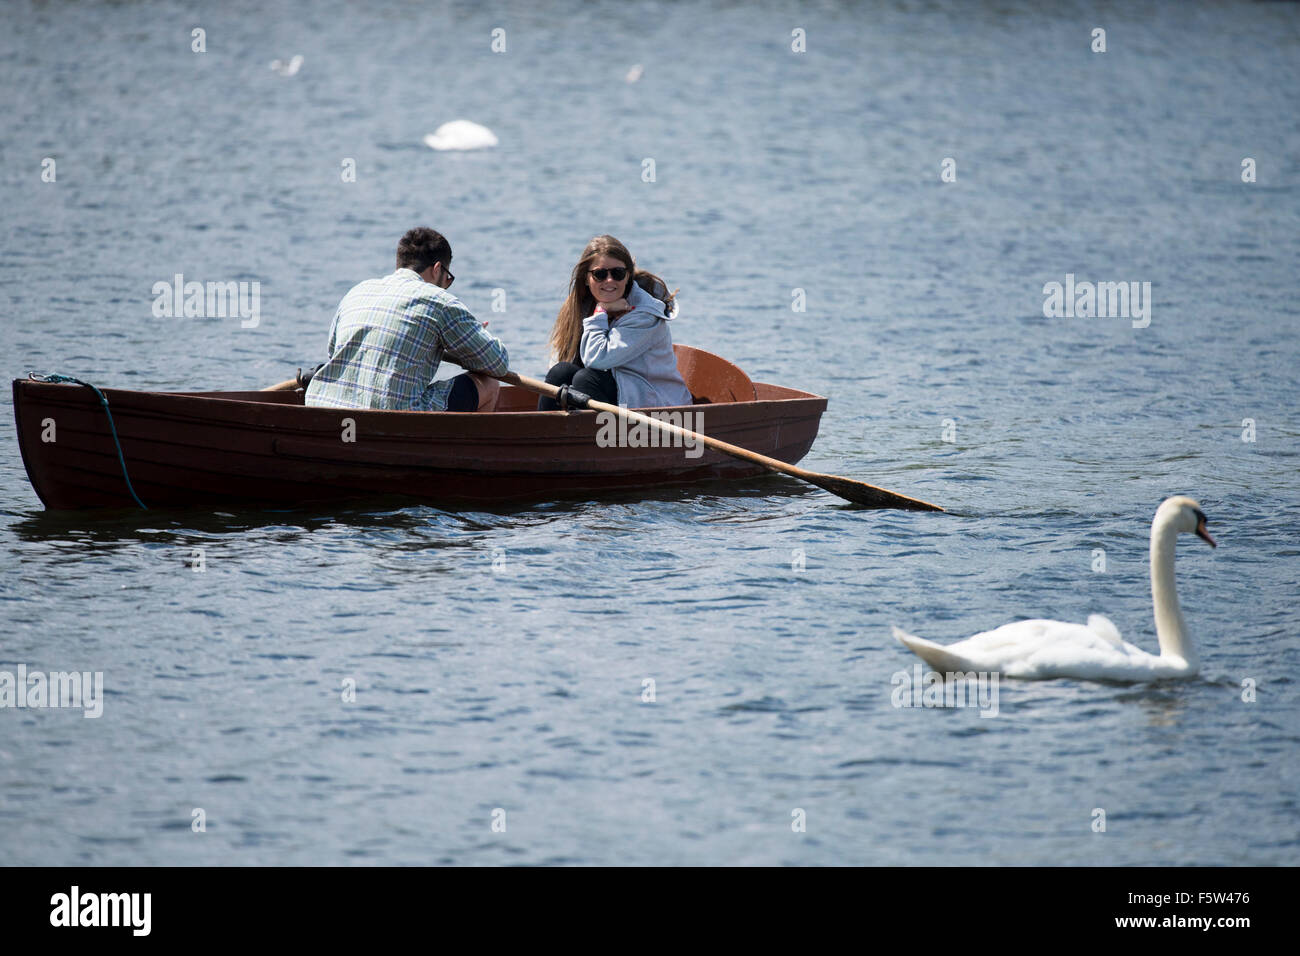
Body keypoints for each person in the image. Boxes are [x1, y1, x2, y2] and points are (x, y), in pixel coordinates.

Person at [305, 227, 508, 412]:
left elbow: (333, 353)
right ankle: (462, 452)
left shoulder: (357, 291)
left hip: (322, 406)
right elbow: (497, 363)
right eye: (448, 279)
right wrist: (469, 343)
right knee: (488, 384)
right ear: (437, 269)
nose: (446, 285)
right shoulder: (440, 301)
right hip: (393, 417)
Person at [539, 235, 693, 411]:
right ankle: (540, 432)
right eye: (600, 274)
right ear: (586, 278)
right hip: (625, 392)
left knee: (586, 378)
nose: (609, 280)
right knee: (562, 372)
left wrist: (601, 312)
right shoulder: (581, 306)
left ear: (627, 276)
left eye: (618, 273)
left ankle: (591, 437)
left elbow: (597, 359)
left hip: (660, 405)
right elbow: (558, 362)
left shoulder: (645, 315)